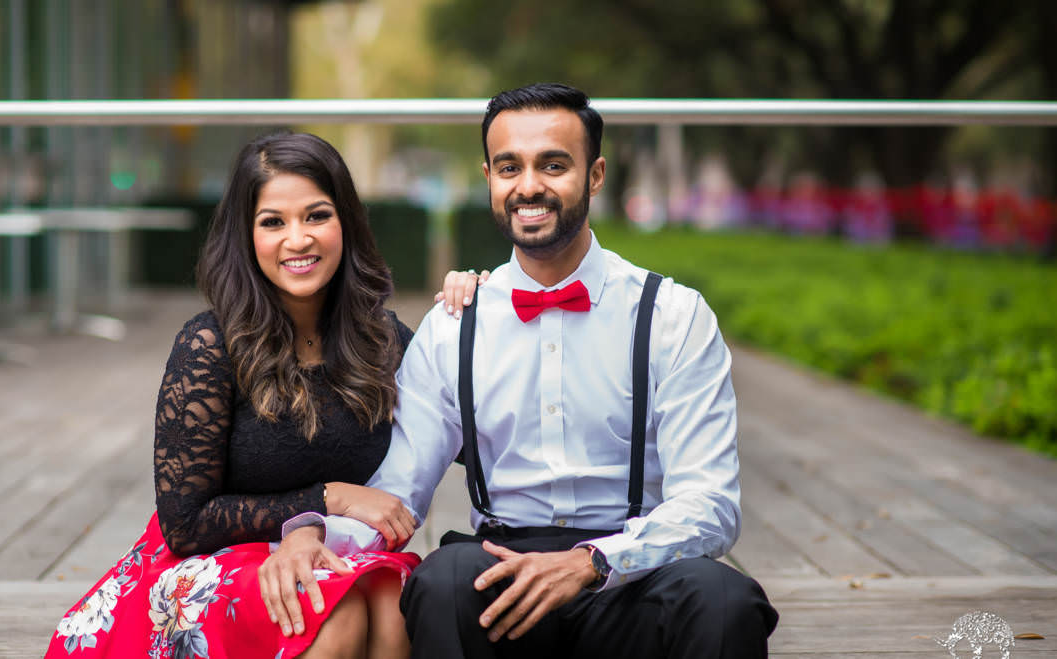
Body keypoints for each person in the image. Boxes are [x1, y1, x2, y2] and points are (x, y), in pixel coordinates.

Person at [281, 83, 780, 658]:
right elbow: (401, 488)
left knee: (724, 601)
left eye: (553, 165)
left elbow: (709, 503)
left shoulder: (673, 316)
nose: (529, 186)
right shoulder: (454, 326)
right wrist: (310, 534)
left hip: (634, 569)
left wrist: (594, 562)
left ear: (594, 176)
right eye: (509, 166)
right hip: (502, 572)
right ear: (488, 177)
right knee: (442, 583)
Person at [44, 132, 482, 659]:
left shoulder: (381, 338)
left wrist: (480, 315)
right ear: (246, 237)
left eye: (316, 216)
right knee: (330, 613)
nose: (298, 239)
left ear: (345, 221)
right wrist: (329, 498)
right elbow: (185, 525)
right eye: (273, 222)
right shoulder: (210, 346)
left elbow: (473, 435)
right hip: (212, 562)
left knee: (393, 603)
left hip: (331, 551)